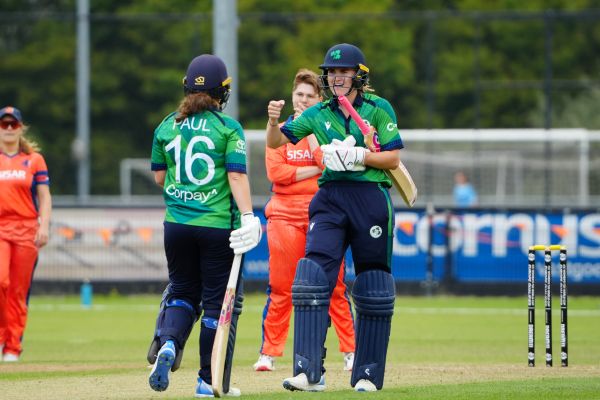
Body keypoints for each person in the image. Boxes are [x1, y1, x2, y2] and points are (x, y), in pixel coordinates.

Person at [266, 43, 403, 392]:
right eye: (331, 72)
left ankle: (368, 373)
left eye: (344, 72)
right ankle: (308, 371)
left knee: (372, 284)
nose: (337, 77)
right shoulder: (317, 113)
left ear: (358, 76)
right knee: (312, 277)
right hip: (330, 198)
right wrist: (272, 121)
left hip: (370, 196)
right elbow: (276, 141)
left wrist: (358, 157)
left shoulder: (378, 109)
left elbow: (392, 158)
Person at [147, 54, 262, 398]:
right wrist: (248, 215)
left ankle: (169, 342)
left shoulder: (166, 125)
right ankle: (205, 380)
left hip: (176, 225)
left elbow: (159, 177)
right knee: (214, 304)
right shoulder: (228, 128)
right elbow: (236, 175)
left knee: (182, 293)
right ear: (222, 91)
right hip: (215, 226)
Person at [253, 69, 355, 373]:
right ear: (292, 96)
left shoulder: (328, 129)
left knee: (335, 287)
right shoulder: (279, 131)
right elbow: (276, 174)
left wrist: (310, 132)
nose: (303, 100)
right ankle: (269, 354)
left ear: (319, 99)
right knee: (281, 288)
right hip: (283, 216)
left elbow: (331, 164)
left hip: (324, 216)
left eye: (310, 96)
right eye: (299, 94)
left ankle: (351, 351)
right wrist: (315, 169)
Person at [0, 106, 52, 362]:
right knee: (1, 282)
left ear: (21, 128)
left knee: (18, 292)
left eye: (13, 124)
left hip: (26, 229)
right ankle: (1, 337)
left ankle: (12, 347)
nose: (9, 128)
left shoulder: (34, 159)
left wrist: (44, 226)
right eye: (4, 124)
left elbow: (44, 196)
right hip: (0, 228)